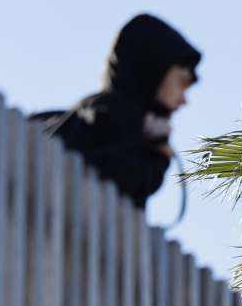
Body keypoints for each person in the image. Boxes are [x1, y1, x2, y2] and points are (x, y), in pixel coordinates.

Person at [33, 13, 201, 209]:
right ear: (154, 69)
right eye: (181, 83)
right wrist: (157, 154)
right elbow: (123, 178)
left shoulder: (113, 117)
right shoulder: (105, 117)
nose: (183, 99)